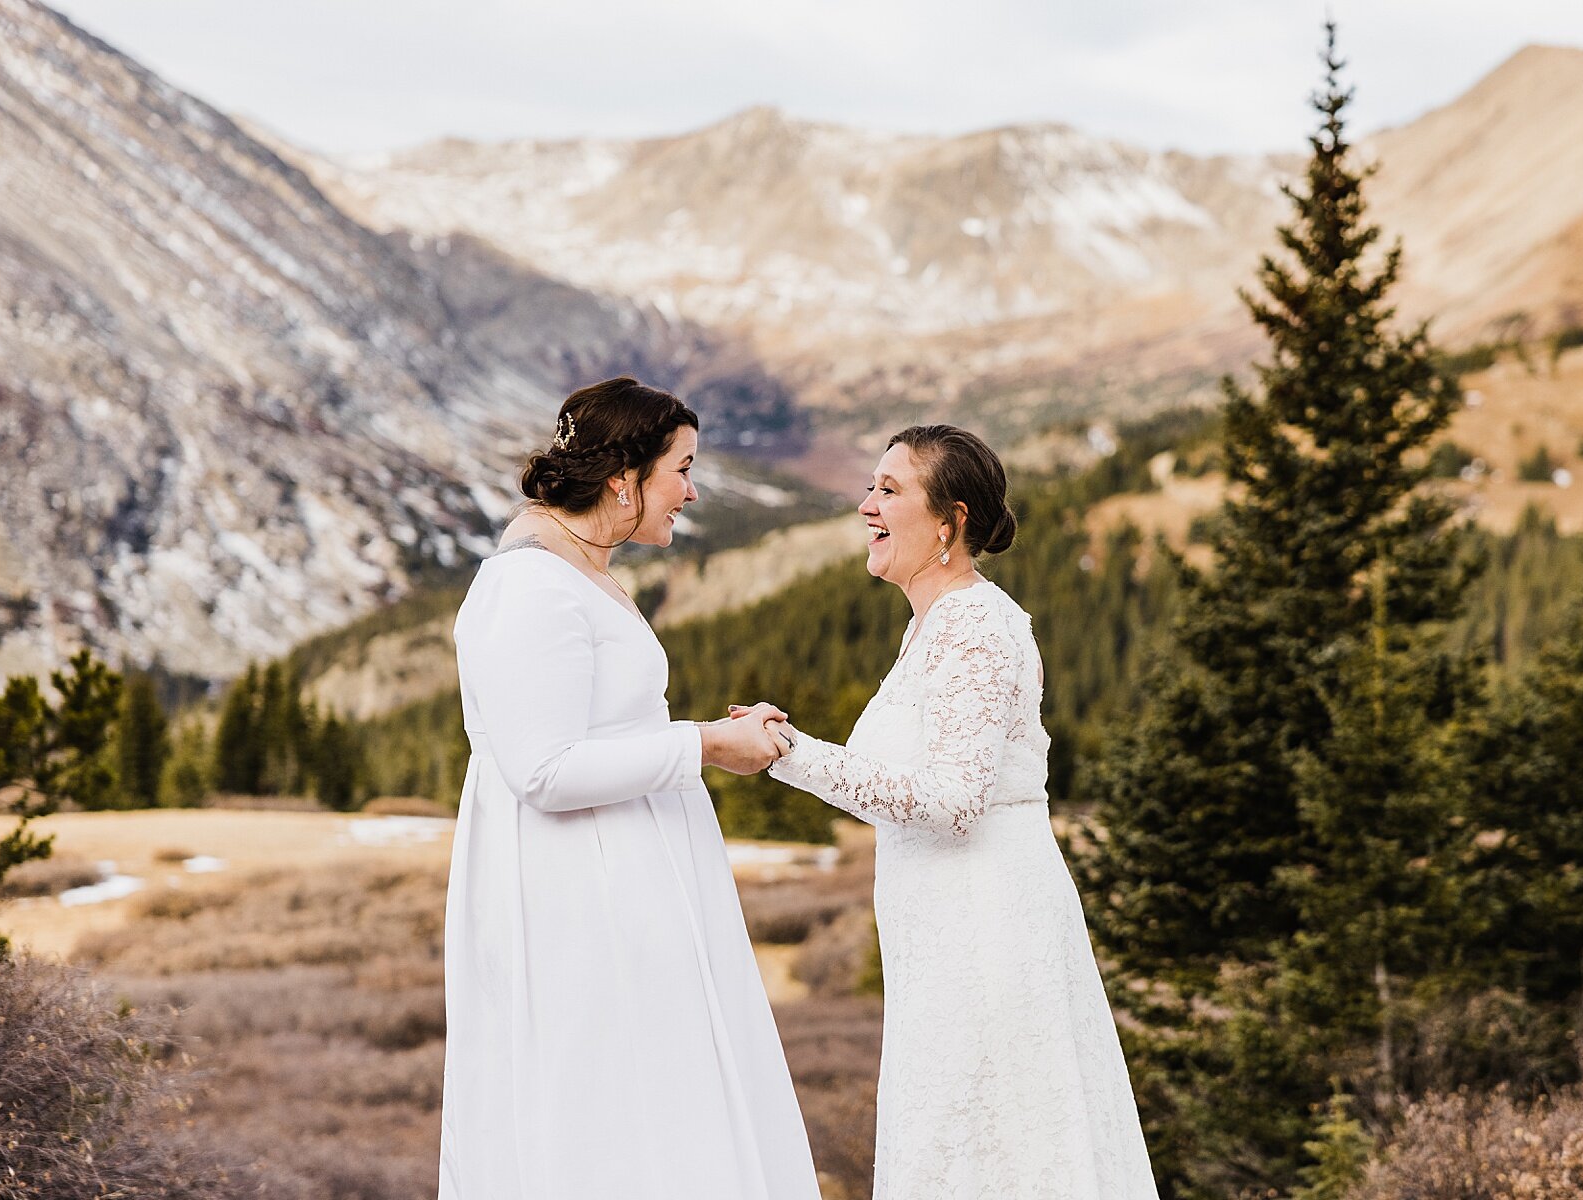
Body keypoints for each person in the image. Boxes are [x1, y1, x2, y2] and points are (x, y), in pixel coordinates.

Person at [439, 377, 819, 1200]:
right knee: (608, 1111)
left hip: (625, 879)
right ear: (624, 478)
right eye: (681, 467)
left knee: (659, 1105)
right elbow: (541, 771)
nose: (690, 488)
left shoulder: (579, 567)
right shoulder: (529, 585)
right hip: (581, 897)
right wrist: (707, 746)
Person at [762, 425, 1159, 1199]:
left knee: (997, 1146)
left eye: (889, 490)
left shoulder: (978, 625)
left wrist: (790, 753)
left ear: (950, 520)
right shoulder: (930, 628)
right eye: (869, 487)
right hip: (941, 933)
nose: (866, 505)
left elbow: (952, 801)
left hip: (986, 927)